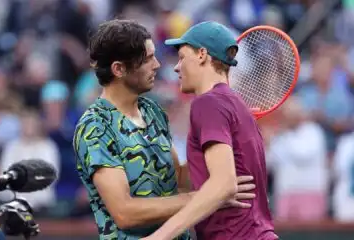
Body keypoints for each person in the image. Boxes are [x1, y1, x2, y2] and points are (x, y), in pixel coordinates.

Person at [73, 19, 256, 240]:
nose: (158, 65)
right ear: (118, 69)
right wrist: (210, 197)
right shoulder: (95, 126)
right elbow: (124, 212)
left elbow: (177, 179)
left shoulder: (152, 110)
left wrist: (221, 141)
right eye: (148, 59)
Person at [142, 21, 278, 240]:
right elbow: (211, 178)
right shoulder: (236, 105)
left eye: (182, 57)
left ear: (202, 54)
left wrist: (158, 237)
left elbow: (223, 184)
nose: (177, 67)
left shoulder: (208, 103)